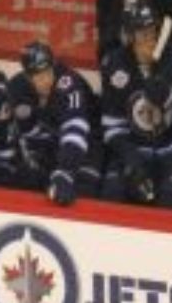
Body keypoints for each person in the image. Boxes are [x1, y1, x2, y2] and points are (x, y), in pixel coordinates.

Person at [99, 3, 172, 208]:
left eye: (153, 31)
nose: (150, 39)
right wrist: (131, 160)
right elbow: (112, 125)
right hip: (135, 148)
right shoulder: (113, 64)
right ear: (129, 37)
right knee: (112, 194)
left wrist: (168, 99)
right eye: (142, 33)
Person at [8, 41, 103, 205]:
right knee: (26, 178)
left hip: (87, 144)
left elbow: (75, 131)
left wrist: (65, 171)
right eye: (39, 76)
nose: (46, 80)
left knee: (82, 190)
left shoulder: (69, 83)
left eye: (48, 72)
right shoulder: (16, 88)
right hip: (52, 145)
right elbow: (26, 132)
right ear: (28, 77)